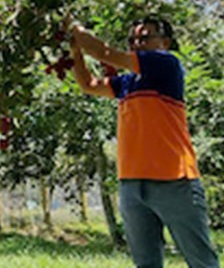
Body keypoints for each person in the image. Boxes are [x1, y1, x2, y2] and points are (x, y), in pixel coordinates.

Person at [66, 15, 220, 268]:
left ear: (166, 42)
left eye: (145, 37)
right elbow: (88, 84)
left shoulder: (166, 63)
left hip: (175, 182)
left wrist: (74, 28)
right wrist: (74, 49)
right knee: (146, 264)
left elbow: (102, 52)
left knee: (202, 262)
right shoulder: (127, 83)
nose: (137, 43)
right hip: (132, 185)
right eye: (132, 40)